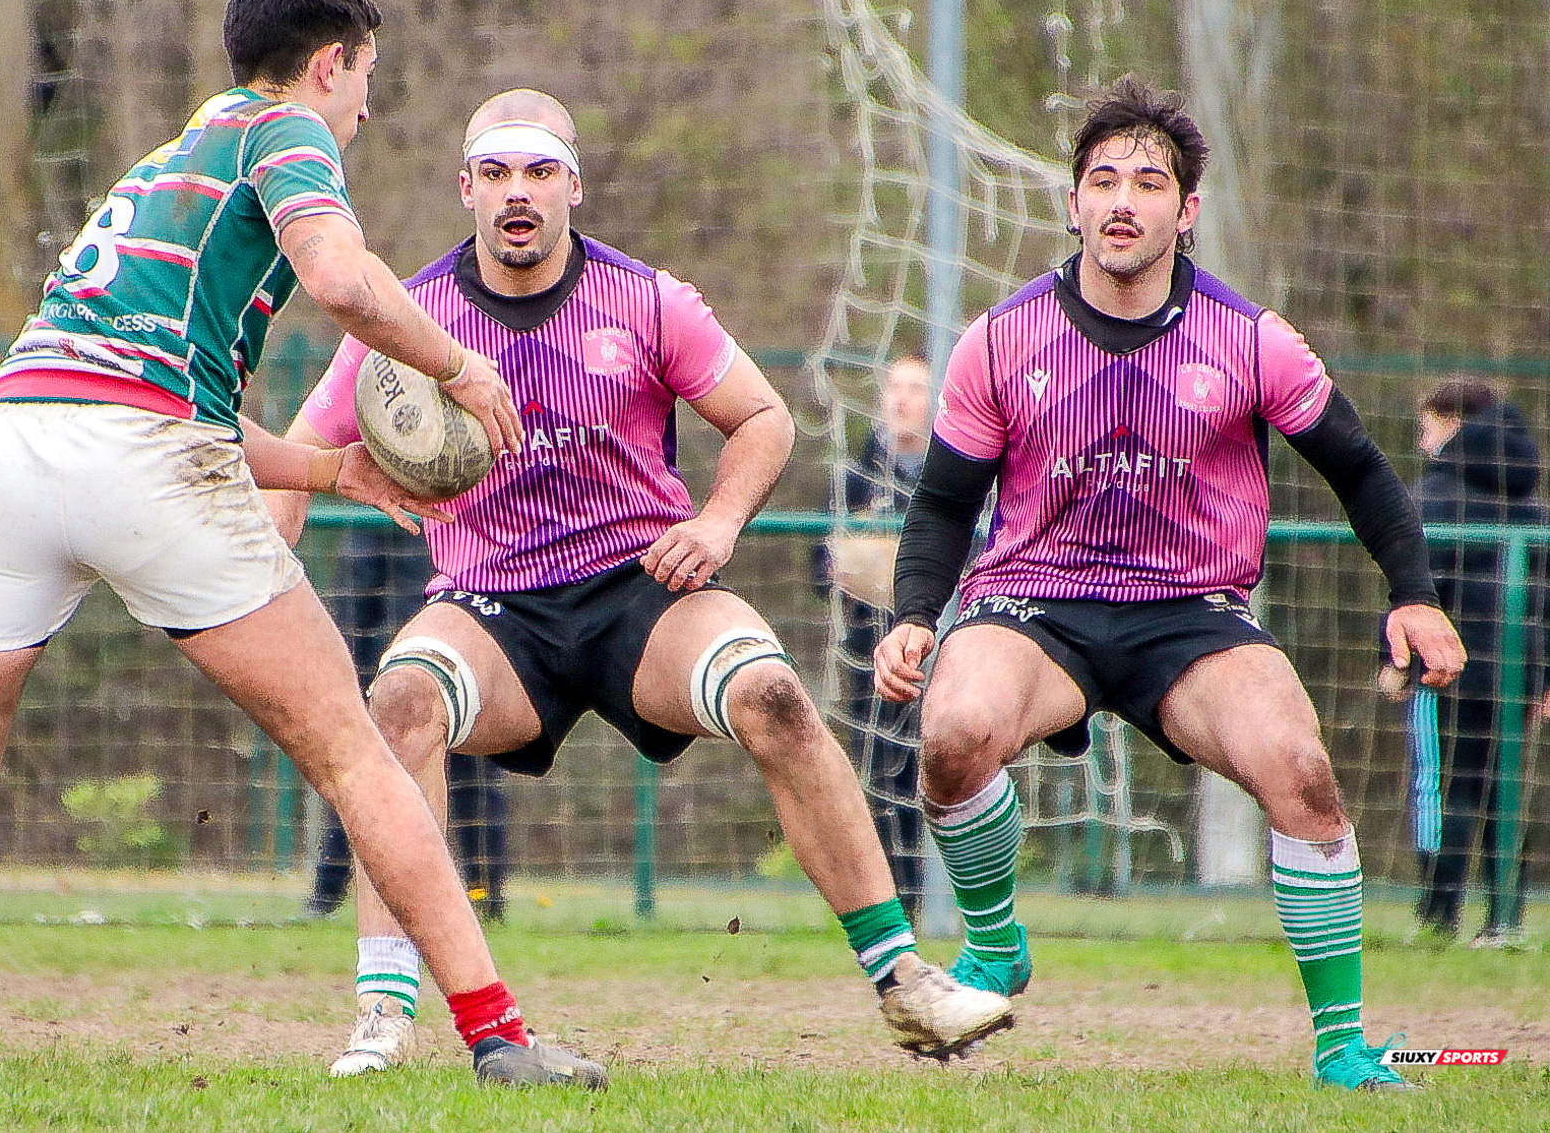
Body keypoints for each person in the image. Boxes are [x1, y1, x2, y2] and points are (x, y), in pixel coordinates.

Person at [0, 0, 604, 1090]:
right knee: (358, 752)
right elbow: (341, 282)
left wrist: (332, 466)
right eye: (367, 78)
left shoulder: (165, 162)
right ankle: (499, 1036)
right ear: (328, 63)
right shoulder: (287, 133)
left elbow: (154, 384)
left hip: (9, 443)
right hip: (145, 459)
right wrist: (458, 362)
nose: (366, 108)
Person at [269, 87, 1013, 1078]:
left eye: (537, 171)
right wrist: (276, 589)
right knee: (398, 700)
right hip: (491, 608)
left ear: (573, 183)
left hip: (641, 590)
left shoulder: (647, 298)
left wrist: (715, 520)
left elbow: (764, 419)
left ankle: (907, 983)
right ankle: (382, 1014)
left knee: (776, 694)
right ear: (465, 190)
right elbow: (296, 450)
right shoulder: (406, 319)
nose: (516, 194)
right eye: (494, 174)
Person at [872, 76, 1466, 1092]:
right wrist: (916, 616)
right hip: (1034, 601)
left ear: (1185, 211)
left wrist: (1413, 590)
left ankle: (1341, 1047)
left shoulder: (1250, 338)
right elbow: (940, 504)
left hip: (1194, 615)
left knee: (1304, 773)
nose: (1122, 199)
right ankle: (996, 943)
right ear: (1072, 203)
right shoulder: (1000, 339)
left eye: (1149, 181)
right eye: (1102, 178)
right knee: (950, 733)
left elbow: (1362, 468)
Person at [1381, 377, 1548, 944]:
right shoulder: (1529, 500)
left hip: (1443, 667)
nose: (1421, 435)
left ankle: (1437, 912)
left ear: (1454, 423)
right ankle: (1504, 918)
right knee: (1502, 785)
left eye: (1427, 422)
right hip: (1519, 670)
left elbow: (1416, 585)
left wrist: (1398, 662)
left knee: (1441, 783)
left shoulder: (1432, 496)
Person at [308, 524, 510, 921]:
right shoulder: (376, 523)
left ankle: (484, 896)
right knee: (364, 776)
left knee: (466, 782)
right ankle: (326, 895)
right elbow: (353, 618)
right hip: (408, 681)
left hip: (448, 669)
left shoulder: (471, 519)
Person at [815, 354, 934, 916]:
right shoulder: (855, 478)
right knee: (876, 779)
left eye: (916, 388)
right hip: (868, 657)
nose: (903, 399)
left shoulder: (951, 477)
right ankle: (893, 906)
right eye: (895, 388)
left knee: (934, 776)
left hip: (939, 649)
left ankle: (940, 898)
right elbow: (818, 565)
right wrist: (846, 564)